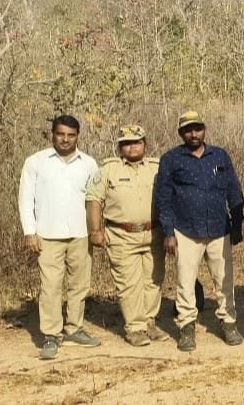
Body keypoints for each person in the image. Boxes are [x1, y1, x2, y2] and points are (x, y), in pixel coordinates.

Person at [154, 110, 244, 351]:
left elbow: (234, 191)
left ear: (204, 129)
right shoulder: (171, 159)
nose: (193, 134)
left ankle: (228, 322)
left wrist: (237, 225)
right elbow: (163, 199)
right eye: (188, 130)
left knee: (224, 280)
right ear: (181, 133)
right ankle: (186, 327)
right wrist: (169, 233)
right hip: (186, 230)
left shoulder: (220, 156)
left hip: (219, 228)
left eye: (197, 128)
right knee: (184, 282)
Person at [19, 115, 101, 360]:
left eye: (71, 135)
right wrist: (29, 231)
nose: (65, 139)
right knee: (51, 286)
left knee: (80, 284)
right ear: (52, 134)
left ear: (78, 136)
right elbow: (25, 199)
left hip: (80, 234)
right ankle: (52, 335)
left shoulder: (88, 163)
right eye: (61, 134)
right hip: (47, 234)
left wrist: (96, 229)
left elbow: (95, 199)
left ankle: (74, 328)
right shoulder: (36, 162)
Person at [85, 125, 169, 347]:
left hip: (154, 231)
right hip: (122, 234)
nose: (132, 147)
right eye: (127, 143)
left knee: (153, 279)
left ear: (145, 144)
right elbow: (94, 200)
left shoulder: (158, 167)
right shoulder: (108, 170)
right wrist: (95, 231)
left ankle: (149, 322)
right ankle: (134, 327)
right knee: (128, 283)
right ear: (120, 147)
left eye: (137, 142)